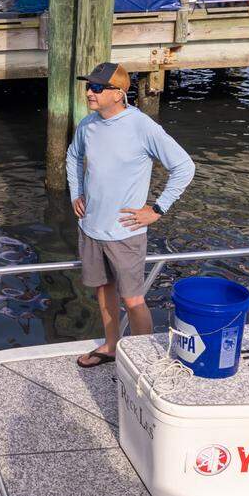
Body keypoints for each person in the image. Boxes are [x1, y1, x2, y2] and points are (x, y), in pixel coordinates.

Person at [66, 63, 195, 369]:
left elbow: (184, 167)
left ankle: (145, 361)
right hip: (91, 227)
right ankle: (111, 346)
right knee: (103, 289)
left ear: (119, 93)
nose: (89, 92)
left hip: (126, 232)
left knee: (133, 300)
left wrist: (157, 209)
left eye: (97, 88)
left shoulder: (141, 126)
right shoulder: (87, 124)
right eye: (89, 86)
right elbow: (73, 157)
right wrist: (76, 193)